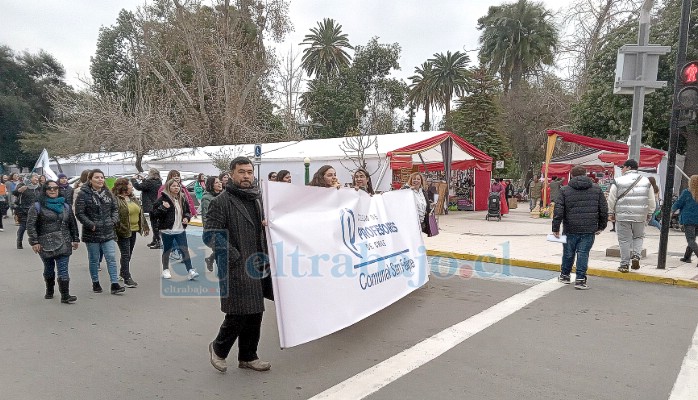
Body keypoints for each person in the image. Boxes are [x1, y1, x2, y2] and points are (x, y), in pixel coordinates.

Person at [204, 156, 271, 373]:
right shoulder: (221, 201)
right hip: (235, 266)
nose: (246, 176)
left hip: (257, 263)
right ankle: (218, 348)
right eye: (241, 172)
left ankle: (248, 356)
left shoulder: (256, 199)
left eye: (249, 172)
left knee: (255, 312)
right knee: (238, 313)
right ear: (231, 174)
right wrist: (234, 256)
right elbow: (211, 235)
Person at [552, 166, 608, 289]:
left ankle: (565, 275)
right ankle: (580, 279)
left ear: (571, 175)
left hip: (570, 227)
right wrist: (601, 226)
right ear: (586, 174)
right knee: (583, 253)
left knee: (568, 252)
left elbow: (558, 211)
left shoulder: (564, 190)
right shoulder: (597, 190)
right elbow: (603, 209)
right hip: (589, 228)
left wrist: (555, 227)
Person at [27, 180, 80, 303]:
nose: (53, 190)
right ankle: (49, 289)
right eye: (49, 188)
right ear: (44, 190)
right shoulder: (37, 206)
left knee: (63, 268)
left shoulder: (65, 206)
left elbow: (72, 223)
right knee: (49, 268)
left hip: (64, 240)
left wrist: (75, 238)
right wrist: (34, 242)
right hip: (45, 242)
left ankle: (65, 295)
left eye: (55, 188)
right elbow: (31, 225)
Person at [75, 169, 126, 294]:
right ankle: (95, 283)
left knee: (111, 257)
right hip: (92, 232)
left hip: (108, 231)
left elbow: (115, 209)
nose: (100, 180)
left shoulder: (108, 193)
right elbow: (79, 213)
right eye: (97, 177)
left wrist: (113, 221)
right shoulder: (84, 194)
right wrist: (90, 224)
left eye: (102, 177)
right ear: (90, 179)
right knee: (94, 259)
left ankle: (114, 284)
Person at [607, 159, 655, 273]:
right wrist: (650, 212)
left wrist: (610, 212)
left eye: (623, 167)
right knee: (638, 237)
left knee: (624, 240)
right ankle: (636, 256)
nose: (622, 169)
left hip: (622, 215)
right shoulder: (646, 181)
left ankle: (624, 264)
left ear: (628, 167)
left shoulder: (618, 181)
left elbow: (611, 198)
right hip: (640, 216)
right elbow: (651, 199)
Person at [152, 178, 199, 280]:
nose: (176, 188)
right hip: (167, 230)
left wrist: (186, 218)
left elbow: (187, 211)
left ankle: (190, 270)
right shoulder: (162, 200)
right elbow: (154, 214)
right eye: (173, 186)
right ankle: (165, 270)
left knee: (184, 250)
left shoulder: (182, 198)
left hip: (180, 229)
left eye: (178, 186)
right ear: (168, 187)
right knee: (167, 250)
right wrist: (163, 208)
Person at [113, 178, 150, 288]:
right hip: (123, 230)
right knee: (125, 254)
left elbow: (140, 213)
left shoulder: (133, 198)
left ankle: (122, 272)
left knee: (128, 253)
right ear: (123, 186)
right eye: (130, 185)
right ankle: (126, 277)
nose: (132, 187)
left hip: (134, 229)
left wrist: (145, 227)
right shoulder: (116, 199)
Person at [131, 168, 162, 249]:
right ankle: (155, 240)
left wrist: (133, 179)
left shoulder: (149, 182)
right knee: (155, 224)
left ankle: (158, 241)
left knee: (154, 224)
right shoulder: (158, 181)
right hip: (157, 205)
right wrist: (144, 179)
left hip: (151, 205)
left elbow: (138, 187)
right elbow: (149, 187)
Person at [672, 175, 698, 266]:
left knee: (690, 240)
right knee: (693, 239)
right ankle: (687, 257)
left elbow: (679, 203)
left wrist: (672, 210)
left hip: (689, 219)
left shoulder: (687, 192)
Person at [13, 173, 42, 249]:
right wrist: (19, 190)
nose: (36, 179)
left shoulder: (38, 187)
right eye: (35, 177)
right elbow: (14, 193)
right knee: (23, 226)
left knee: (37, 225)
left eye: (37, 177)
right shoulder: (22, 185)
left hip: (36, 209)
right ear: (30, 178)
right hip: (24, 209)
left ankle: (38, 242)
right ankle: (19, 241)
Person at [200, 176, 223, 272]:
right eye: (216, 182)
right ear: (211, 185)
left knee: (221, 249)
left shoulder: (222, 195)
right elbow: (205, 216)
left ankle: (210, 259)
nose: (220, 184)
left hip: (223, 228)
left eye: (220, 182)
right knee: (220, 249)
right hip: (213, 229)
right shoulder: (206, 198)